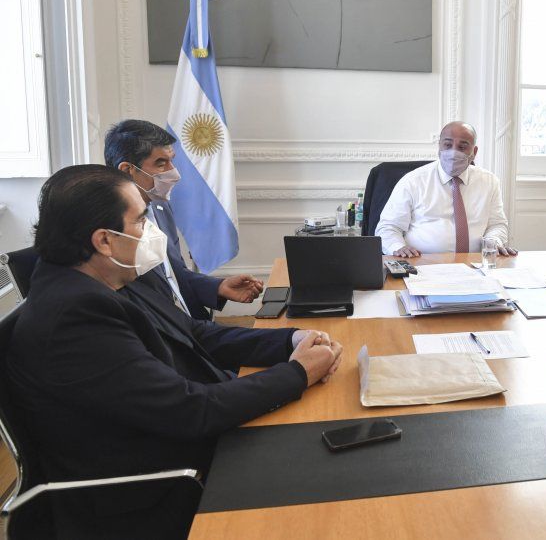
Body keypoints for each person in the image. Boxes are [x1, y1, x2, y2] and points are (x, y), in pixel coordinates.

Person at [6, 165, 342, 539]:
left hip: (184, 437)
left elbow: (194, 335)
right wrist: (298, 374)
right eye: (139, 220)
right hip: (153, 487)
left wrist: (290, 341)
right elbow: (191, 411)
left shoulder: (104, 275)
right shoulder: (74, 316)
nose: (151, 232)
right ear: (104, 240)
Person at [105, 119, 262, 320]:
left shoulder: (160, 206)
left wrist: (219, 287)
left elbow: (174, 273)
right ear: (127, 170)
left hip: (192, 323)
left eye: (172, 160)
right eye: (161, 163)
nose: (174, 173)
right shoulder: (111, 228)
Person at [376, 121, 516, 257]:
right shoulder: (413, 181)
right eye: (448, 145)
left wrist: (493, 243)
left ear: (474, 152)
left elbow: (497, 225)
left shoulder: (489, 181)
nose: (453, 152)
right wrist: (398, 247)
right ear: (439, 147)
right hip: (421, 264)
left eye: (462, 147)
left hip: (475, 265)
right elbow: (388, 227)